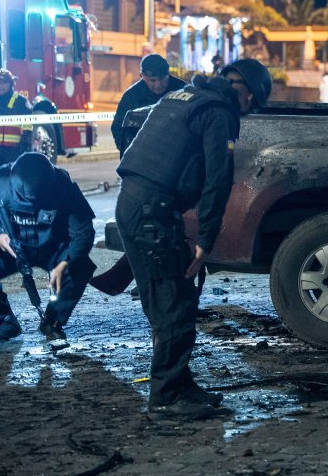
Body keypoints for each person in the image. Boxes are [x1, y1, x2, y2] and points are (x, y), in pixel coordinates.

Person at [115, 58, 270, 420]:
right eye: (253, 105)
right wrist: (205, 239)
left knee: (166, 302)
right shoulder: (219, 112)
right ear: (248, 95)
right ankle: (166, 399)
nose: (248, 112)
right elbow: (218, 178)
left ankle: (181, 385)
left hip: (133, 206)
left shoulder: (183, 95)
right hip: (152, 213)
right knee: (174, 306)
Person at [0, 153, 96, 350]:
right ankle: (4, 321)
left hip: (51, 247)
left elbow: (83, 231)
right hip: (9, 248)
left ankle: (52, 321)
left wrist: (65, 262)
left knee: (80, 266)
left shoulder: (63, 185)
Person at [111, 54, 187, 154]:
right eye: (152, 80)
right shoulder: (131, 97)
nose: (158, 85)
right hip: (143, 155)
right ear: (142, 76)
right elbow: (118, 128)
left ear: (168, 74)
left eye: (162, 79)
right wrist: (130, 153)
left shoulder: (184, 91)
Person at [0, 68, 33, 171]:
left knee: (12, 177)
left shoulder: (21, 101)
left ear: (11, 84)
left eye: (5, 82)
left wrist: (25, 140)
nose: (1, 86)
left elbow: (28, 123)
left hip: (14, 149)